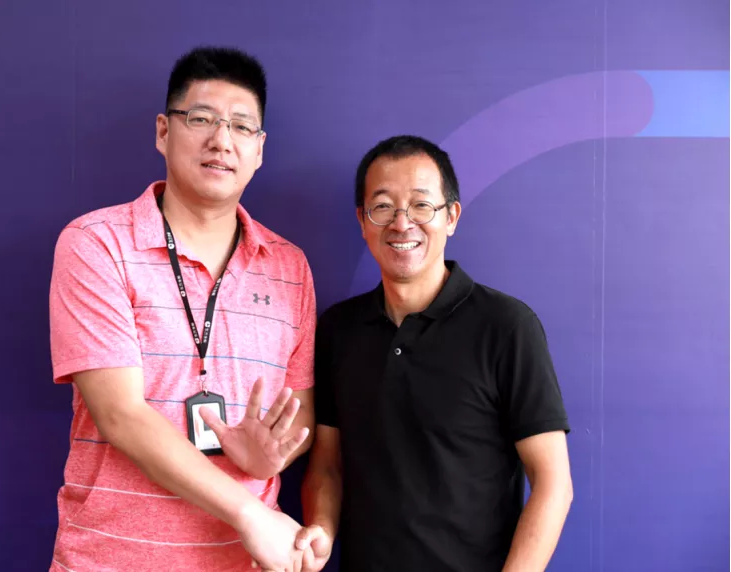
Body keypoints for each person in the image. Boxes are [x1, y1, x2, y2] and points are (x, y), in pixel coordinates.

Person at [48, 46, 317, 572]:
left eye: (242, 126)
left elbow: (298, 410)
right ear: (163, 131)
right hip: (109, 561)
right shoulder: (96, 244)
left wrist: (271, 455)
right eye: (201, 119)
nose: (222, 140)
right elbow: (121, 415)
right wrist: (250, 513)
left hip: (246, 561)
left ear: (259, 149)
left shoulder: (290, 266)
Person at [297, 135, 573, 572]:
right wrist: (322, 530)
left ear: (451, 217)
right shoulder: (337, 329)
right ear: (363, 221)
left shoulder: (507, 326)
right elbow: (327, 466)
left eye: (421, 205)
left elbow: (553, 484)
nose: (402, 223)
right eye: (383, 206)